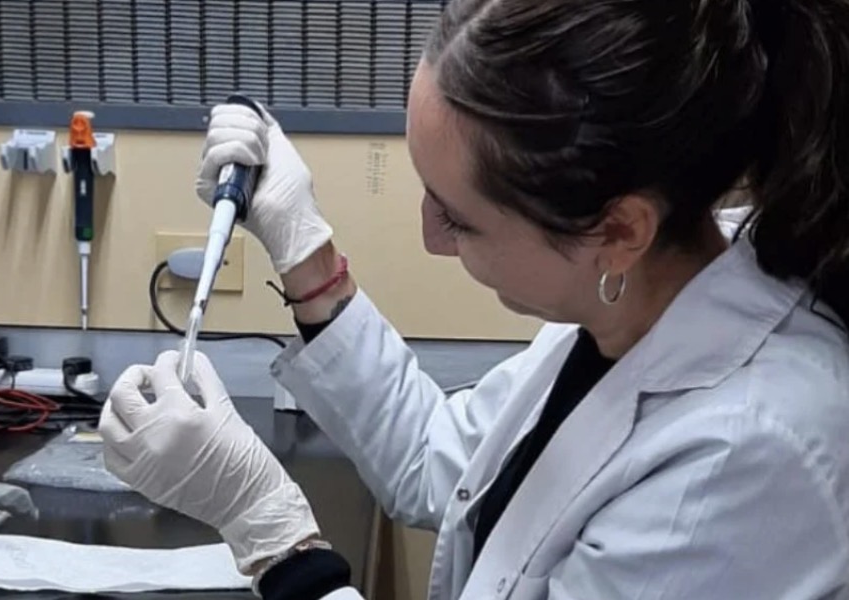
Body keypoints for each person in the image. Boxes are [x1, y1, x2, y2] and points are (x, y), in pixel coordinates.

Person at [99, 0, 849, 598]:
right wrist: (303, 248)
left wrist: (273, 535)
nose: (431, 235)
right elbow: (436, 459)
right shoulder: (626, 303)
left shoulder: (746, 460)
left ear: (619, 229)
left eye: (459, 217)